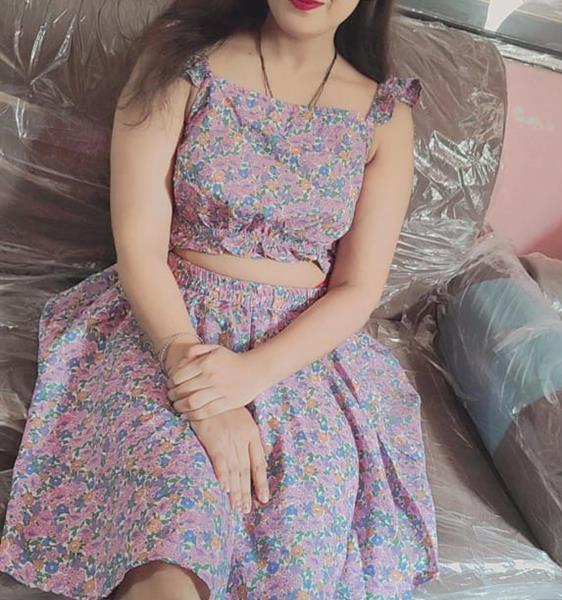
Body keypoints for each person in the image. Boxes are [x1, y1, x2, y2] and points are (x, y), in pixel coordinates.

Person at [0, 0, 439, 598]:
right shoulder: (181, 62)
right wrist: (202, 390)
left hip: (299, 354)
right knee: (171, 527)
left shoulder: (384, 115)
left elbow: (357, 288)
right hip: (165, 325)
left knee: (296, 551)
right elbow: (139, 246)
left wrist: (251, 374)